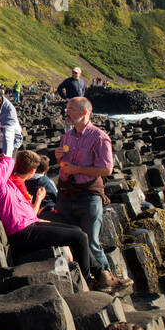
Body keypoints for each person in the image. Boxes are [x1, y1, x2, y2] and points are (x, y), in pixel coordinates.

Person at [0, 148, 111, 289]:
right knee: (79, 237)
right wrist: (1, 159)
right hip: (22, 230)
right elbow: (9, 161)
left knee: (77, 231)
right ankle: (89, 281)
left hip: (26, 223)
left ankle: (98, 273)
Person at [55, 96, 131, 291]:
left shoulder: (99, 137)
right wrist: (60, 158)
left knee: (91, 240)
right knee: (70, 238)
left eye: (71, 109)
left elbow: (106, 169)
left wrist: (77, 169)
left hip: (88, 195)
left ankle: (106, 277)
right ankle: (85, 280)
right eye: (68, 109)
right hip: (66, 194)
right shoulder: (68, 136)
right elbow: (67, 164)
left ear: (84, 112)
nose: (67, 113)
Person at [13, 149, 58, 217]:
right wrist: (39, 198)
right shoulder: (47, 182)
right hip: (41, 212)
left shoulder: (13, 180)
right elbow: (55, 195)